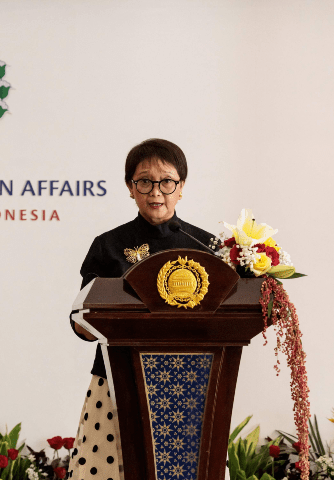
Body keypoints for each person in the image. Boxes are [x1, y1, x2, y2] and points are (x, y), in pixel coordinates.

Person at [67, 139, 215, 479]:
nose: (156, 192)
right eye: (145, 181)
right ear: (130, 188)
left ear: (181, 187)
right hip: (118, 378)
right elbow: (82, 316)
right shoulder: (108, 245)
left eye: (167, 181)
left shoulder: (207, 246)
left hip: (189, 378)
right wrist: (85, 323)